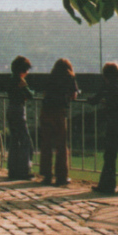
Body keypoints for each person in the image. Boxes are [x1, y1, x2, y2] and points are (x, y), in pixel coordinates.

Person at [88, 62, 118, 195]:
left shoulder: (107, 87)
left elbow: (94, 100)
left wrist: (90, 99)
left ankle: (107, 186)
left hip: (114, 124)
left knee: (110, 155)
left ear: (105, 76)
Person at [39, 58, 78, 186]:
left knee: (46, 145)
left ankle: (46, 175)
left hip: (45, 112)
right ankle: (61, 176)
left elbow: (45, 93)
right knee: (61, 145)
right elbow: (74, 95)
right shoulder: (69, 77)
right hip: (58, 113)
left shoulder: (51, 77)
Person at [7, 56, 35, 180]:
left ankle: (12, 170)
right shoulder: (20, 80)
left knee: (14, 141)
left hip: (10, 109)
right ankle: (24, 170)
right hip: (18, 110)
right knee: (25, 141)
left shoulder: (11, 79)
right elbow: (30, 94)